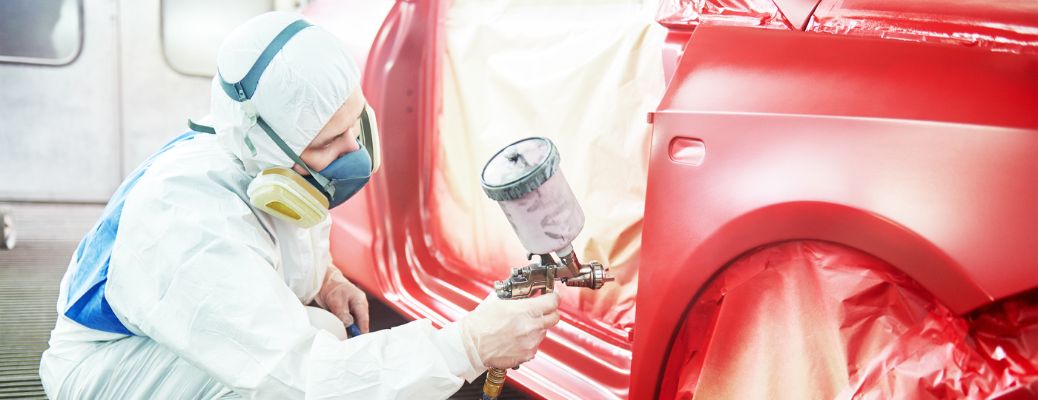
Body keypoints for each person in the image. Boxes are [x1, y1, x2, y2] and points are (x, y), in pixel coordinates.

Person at [39, 11, 560, 399]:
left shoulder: (262, 164)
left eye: (354, 124)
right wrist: (468, 346)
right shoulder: (188, 221)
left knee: (324, 328)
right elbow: (304, 381)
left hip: (163, 341)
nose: (354, 153)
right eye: (328, 142)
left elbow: (284, 234)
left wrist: (327, 279)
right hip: (108, 373)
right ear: (266, 147)